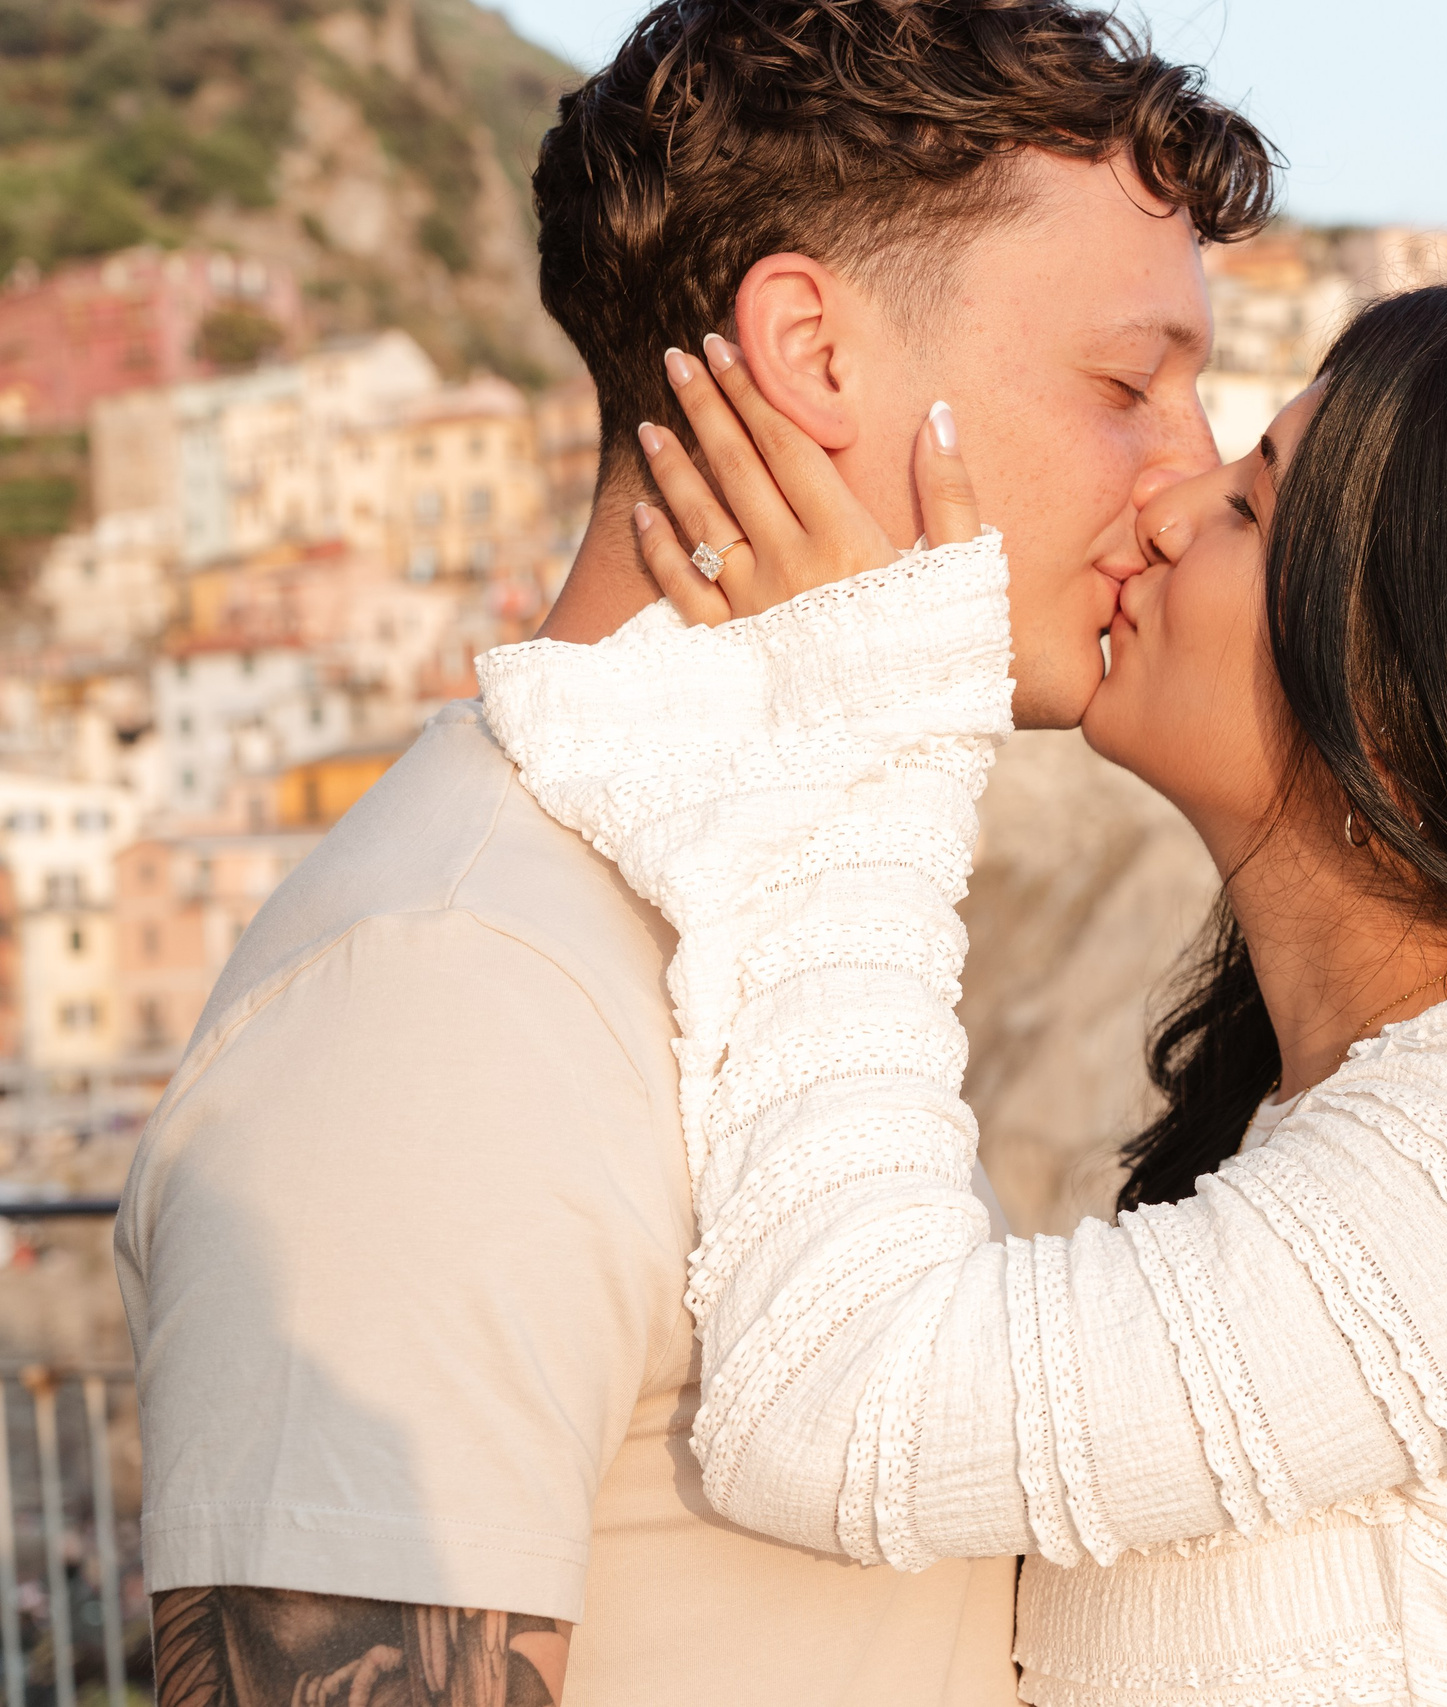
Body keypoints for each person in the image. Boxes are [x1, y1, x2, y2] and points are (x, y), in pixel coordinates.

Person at [474, 284, 1447, 1705]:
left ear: (1425, 662)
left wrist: (875, 735)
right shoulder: (1391, 1121)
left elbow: (837, 1401)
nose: (1166, 505)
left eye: (1252, 498)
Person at [112, 3, 1271, 1702]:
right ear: (810, 354)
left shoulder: (775, 902)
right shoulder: (449, 995)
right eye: (1128, 384)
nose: (1186, 478)